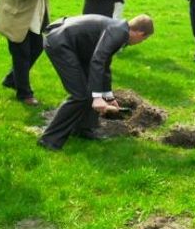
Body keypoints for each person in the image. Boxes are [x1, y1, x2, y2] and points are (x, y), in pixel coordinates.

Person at [37, 14, 154, 150]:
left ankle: (82, 129)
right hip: (60, 43)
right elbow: (98, 61)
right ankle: (48, 140)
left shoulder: (119, 29)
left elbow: (104, 64)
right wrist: (97, 97)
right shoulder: (119, 33)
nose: (141, 42)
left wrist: (108, 97)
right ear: (140, 33)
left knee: (89, 90)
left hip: (72, 44)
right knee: (80, 95)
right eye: (144, 39)